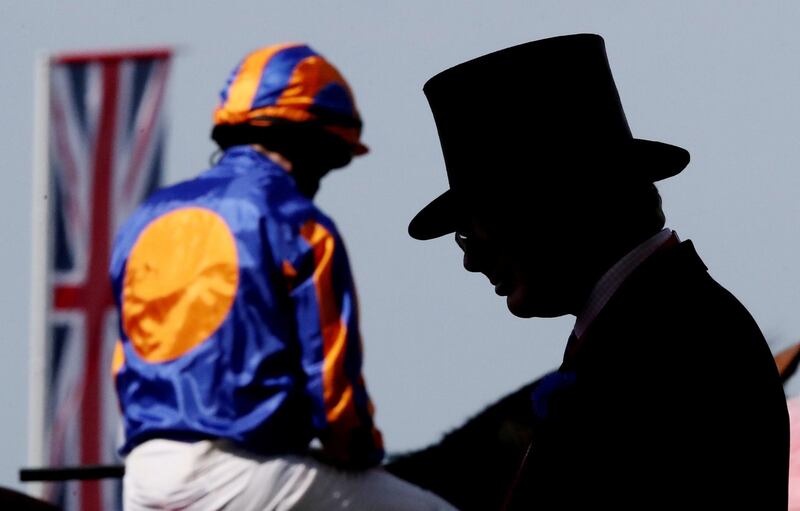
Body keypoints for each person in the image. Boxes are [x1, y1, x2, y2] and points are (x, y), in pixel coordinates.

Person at [408, 34, 789, 509]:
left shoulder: (664, 347)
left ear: (552, 205)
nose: (470, 260)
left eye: (472, 231)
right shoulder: (661, 328)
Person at [110, 43, 457, 510]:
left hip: (143, 477)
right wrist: (358, 451)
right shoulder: (301, 225)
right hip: (251, 477)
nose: (322, 178)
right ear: (306, 142)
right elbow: (334, 389)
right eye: (330, 158)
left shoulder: (143, 218)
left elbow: (125, 358)